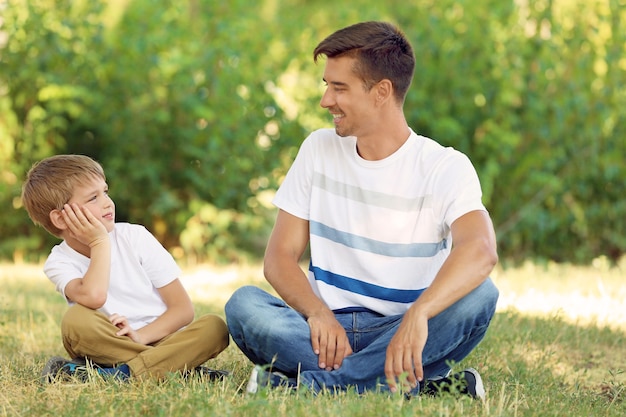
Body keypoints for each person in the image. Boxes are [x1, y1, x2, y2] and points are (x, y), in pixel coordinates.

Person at [225, 21, 499, 398]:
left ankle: (311, 385)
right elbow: (279, 257)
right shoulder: (318, 149)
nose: (326, 101)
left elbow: (480, 249)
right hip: (323, 333)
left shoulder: (444, 167)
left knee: (481, 295)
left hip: (401, 329)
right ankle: (397, 383)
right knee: (246, 305)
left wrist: (418, 316)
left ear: (381, 92)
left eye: (339, 88)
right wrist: (317, 313)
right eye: (327, 85)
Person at [21, 154, 230, 382]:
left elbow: (182, 310)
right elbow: (94, 297)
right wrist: (99, 242)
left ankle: (121, 375)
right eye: (93, 198)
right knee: (75, 321)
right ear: (61, 219)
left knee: (215, 327)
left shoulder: (135, 237)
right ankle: (180, 369)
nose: (107, 202)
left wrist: (141, 336)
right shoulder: (59, 261)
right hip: (110, 343)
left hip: (162, 338)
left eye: (105, 192)